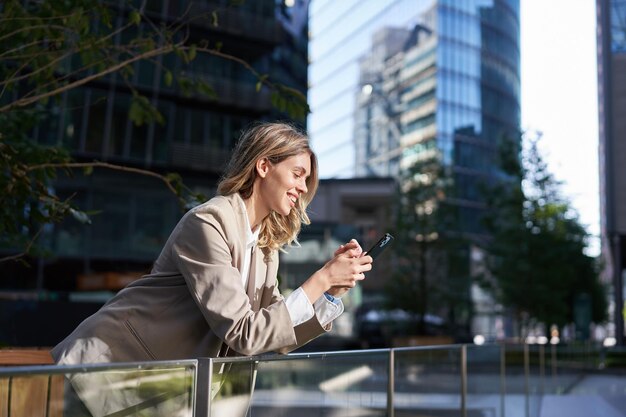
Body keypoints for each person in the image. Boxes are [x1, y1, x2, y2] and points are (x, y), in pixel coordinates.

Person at [52, 122, 373, 416]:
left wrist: (329, 294)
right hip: (101, 375)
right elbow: (245, 333)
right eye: (297, 174)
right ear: (263, 166)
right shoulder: (209, 223)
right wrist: (321, 278)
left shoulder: (264, 248)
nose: (303, 188)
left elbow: (273, 336)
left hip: (153, 392)